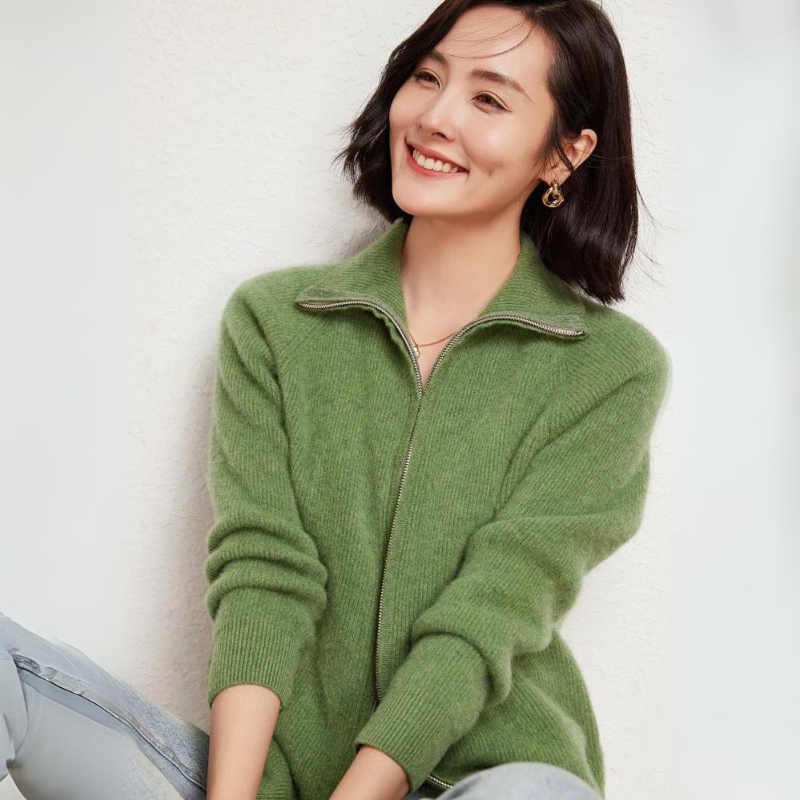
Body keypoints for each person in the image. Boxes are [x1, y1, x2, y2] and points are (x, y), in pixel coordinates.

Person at [0, 2, 671, 798]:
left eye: (489, 98)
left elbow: (492, 613)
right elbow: (265, 576)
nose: (436, 118)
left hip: (481, 782)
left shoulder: (609, 370)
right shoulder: (278, 321)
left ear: (564, 153)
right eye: (428, 78)